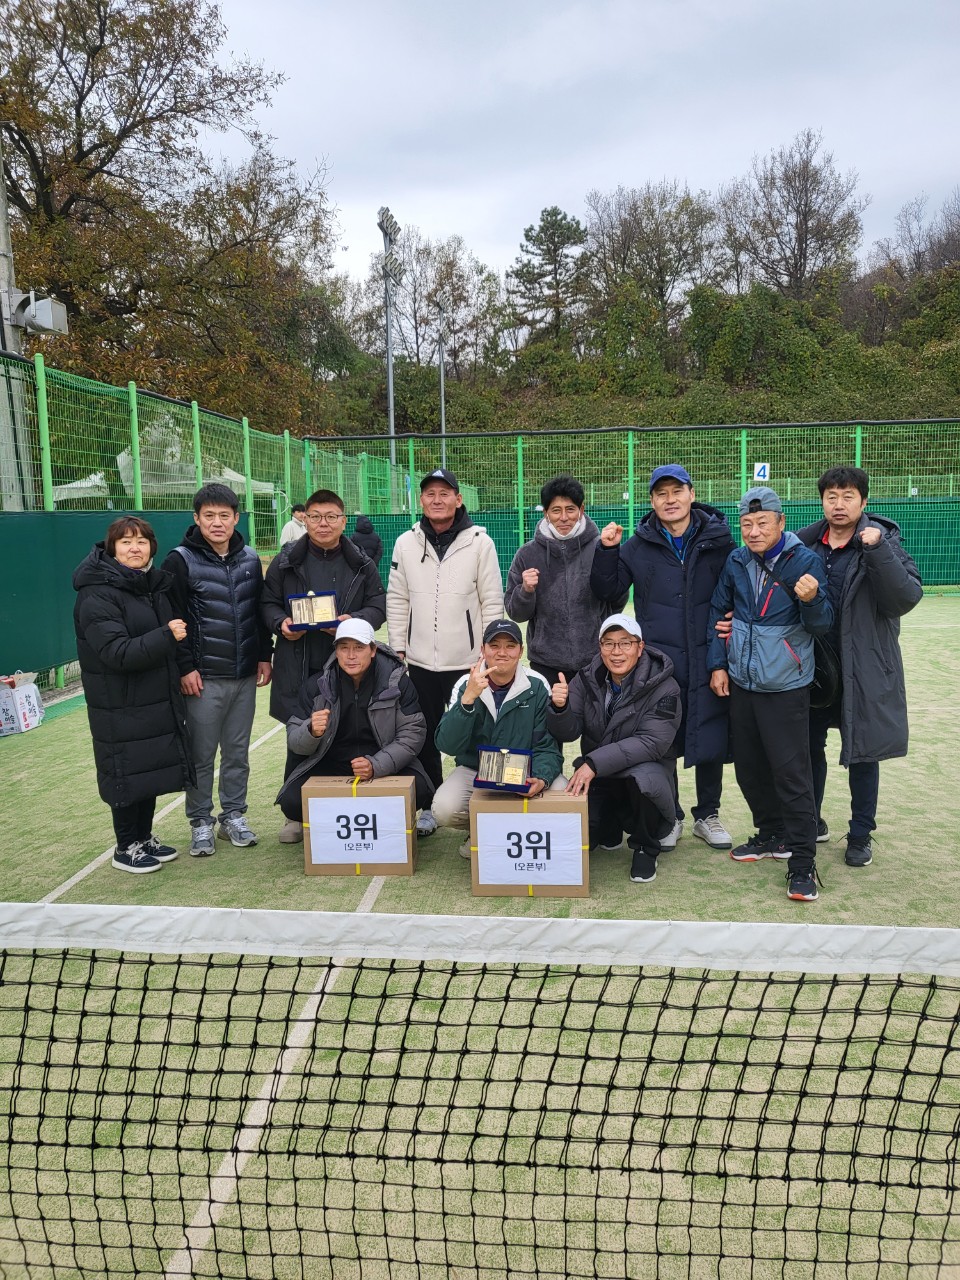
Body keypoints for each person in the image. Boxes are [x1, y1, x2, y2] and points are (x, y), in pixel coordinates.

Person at [591, 464, 735, 853]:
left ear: (691, 493)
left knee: (710, 738)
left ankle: (707, 814)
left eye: (676, 492)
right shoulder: (636, 546)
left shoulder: (721, 541)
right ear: (652, 501)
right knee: (663, 742)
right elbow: (609, 588)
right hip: (659, 665)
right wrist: (606, 551)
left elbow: (735, 591)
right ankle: (670, 816)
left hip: (709, 658)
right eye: (661, 494)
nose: (669, 500)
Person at [706, 486, 833, 902]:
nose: (754, 531)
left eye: (763, 523)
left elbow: (822, 623)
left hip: (786, 688)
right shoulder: (737, 559)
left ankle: (801, 865)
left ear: (781, 522)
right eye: (747, 524)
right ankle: (770, 833)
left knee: (792, 776)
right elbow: (717, 611)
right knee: (749, 767)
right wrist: (718, 664)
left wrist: (812, 600)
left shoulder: (806, 560)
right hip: (742, 683)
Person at [795, 466, 922, 866]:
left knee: (864, 755)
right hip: (814, 671)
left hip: (865, 669)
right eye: (831, 496)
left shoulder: (884, 542)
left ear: (863, 502)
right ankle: (811, 822)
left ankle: (861, 834)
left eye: (848, 496)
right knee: (809, 748)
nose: (839, 504)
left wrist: (877, 549)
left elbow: (904, 598)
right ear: (822, 501)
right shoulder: (804, 544)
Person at [261, 488, 386, 842]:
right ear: (305, 519)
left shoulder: (361, 561)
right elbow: (266, 603)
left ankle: (356, 804)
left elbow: (378, 605)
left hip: (347, 663)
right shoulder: (286, 560)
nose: (323, 523)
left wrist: (352, 621)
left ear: (343, 521)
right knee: (299, 734)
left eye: (331, 516)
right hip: (297, 661)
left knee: (350, 730)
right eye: (315, 516)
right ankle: (295, 814)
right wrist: (281, 624)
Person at [73, 516, 194, 874]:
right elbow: (117, 653)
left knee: (149, 768)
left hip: (153, 697)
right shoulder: (96, 593)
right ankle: (126, 845)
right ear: (112, 549)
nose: (135, 548)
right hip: (119, 702)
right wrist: (167, 636)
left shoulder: (148, 586)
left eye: (142, 541)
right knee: (125, 772)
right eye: (126, 542)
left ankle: (144, 837)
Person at [386, 468, 503, 836]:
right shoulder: (406, 542)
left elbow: (491, 600)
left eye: (445, 493)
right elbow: (398, 597)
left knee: (474, 735)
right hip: (420, 661)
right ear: (421, 500)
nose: (437, 499)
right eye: (430, 493)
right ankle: (428, 804)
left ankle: (480, 805)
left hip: (469, 661)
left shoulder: (480, 541)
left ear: (458, 498)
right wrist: (398, 647)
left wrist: (489, 654)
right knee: (422, 735)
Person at [161, 484, 273, 857]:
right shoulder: (179, 560)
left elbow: (257, 613)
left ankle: (234, 816)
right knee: (201, 754)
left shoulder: (250, 558)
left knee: (238, 752)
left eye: (224, 515)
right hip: (202, 678)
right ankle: (200, 823)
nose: (217, 522)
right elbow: (171, 618)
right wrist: (185, 667)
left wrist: (264, 655)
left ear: (236, 518)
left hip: (243, 675)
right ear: (196, 519)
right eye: (209, 515)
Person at [546, 614, 682, 885]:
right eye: (608, 644)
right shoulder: (585, 679)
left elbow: (652, 742)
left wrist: (593, 764)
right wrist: (560, 709)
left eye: (625, 643)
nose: (616, 652)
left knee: (644, 778)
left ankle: (646, 846)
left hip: (639, 773)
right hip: (600, 776)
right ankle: (608, 828)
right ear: (600, 647)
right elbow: (568, 732)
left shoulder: (665, 686)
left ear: (640, 647)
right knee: (589, 837)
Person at [276, 619, 433, 825]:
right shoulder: (317, 685)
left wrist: (376, 765)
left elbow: (413, 734)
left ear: (373, 649)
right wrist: (311, 731)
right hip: (330, 764)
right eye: (344, 648)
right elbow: (294, 739)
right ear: (336, 651)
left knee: (419, 790)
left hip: (384, 764)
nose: (351, 656)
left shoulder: (397, 682)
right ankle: (357, 819)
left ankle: (345, 817)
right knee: (292, 802)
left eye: (359, 648)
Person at [433, 619, 565, 852]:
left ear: (521, 651)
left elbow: (547, 746)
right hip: (477, 770)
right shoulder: (466, 684)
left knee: (562, 795)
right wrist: (468, 700)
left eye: (510, 646)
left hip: (527, 769)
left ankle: (511, 834)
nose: (502, 652)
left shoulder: (537, 684)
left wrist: (542, 778)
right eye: (494, 645)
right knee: (444, 807)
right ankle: (483, 830)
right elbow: (448, 745)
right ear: (483, 650)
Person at [504, 473, 627, 690]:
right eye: (556, 510)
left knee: (594, 722)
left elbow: (617, 599)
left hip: (595, 659)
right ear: (545, 513)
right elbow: (516, 613)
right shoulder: (527, 554)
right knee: (551, 721)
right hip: (545, 663)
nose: (563, 517)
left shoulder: (601, 547)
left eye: (570, 509)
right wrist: (526, 591)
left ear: (581, 510)